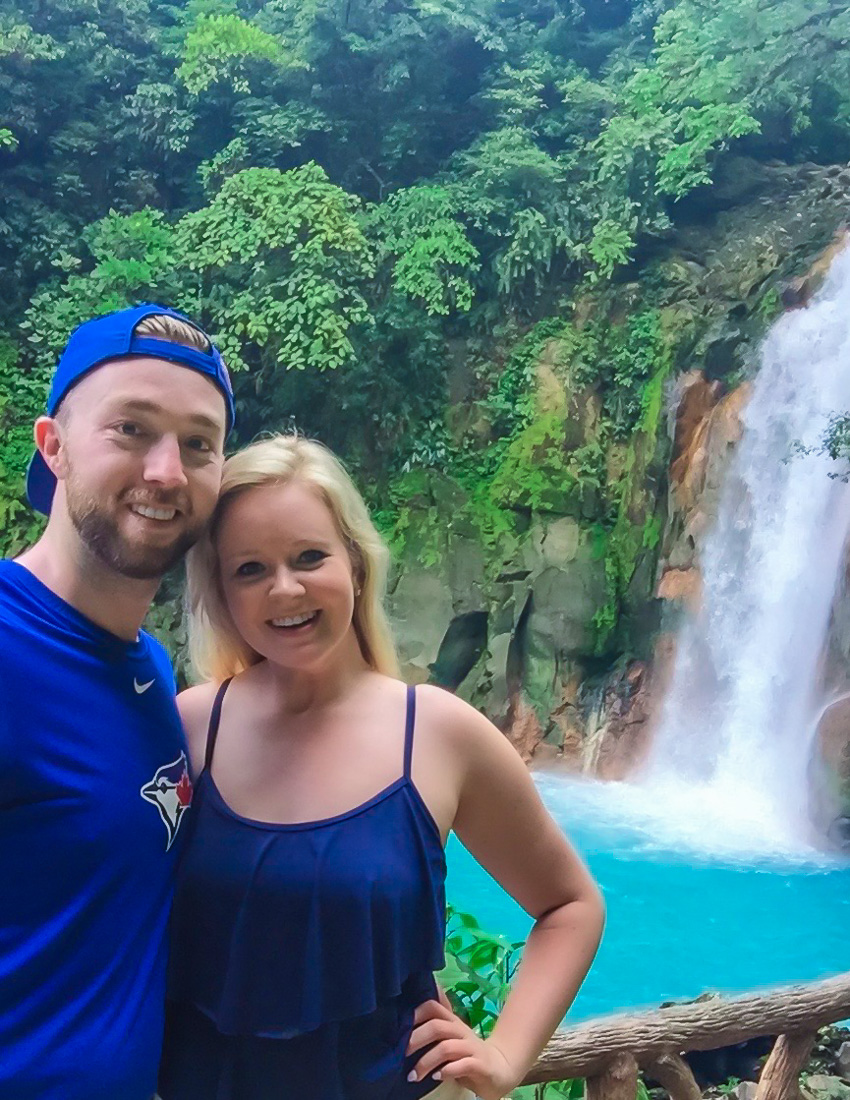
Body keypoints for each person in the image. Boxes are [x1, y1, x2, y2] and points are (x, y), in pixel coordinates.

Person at [159, 434, 605, 1100]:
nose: (285, 588)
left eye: (310, 556)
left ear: (357, 566)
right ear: (220, 592)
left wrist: (507, 1055)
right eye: (249, 569)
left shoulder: (437, 734)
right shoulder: (187, 730)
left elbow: (571, 905)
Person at [0, 303, 234, 1100]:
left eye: (198, 443)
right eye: (130, 429)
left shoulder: (152, 671)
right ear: (54, 446)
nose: (167, 470)